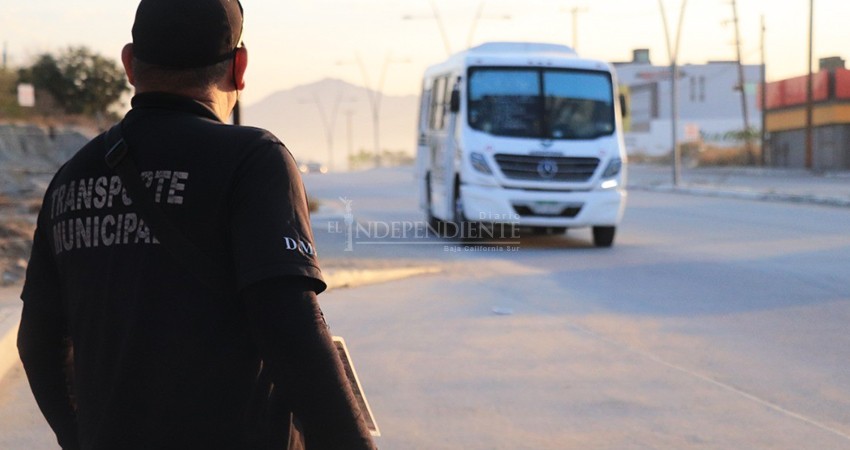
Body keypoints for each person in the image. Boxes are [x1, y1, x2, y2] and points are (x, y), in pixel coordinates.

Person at [16, 1, 377, 449]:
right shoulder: (253, 159)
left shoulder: (72, 177)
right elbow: (291, 329)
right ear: (239, 66)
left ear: (130, 63)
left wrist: (80, 437)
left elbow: (37, 343)